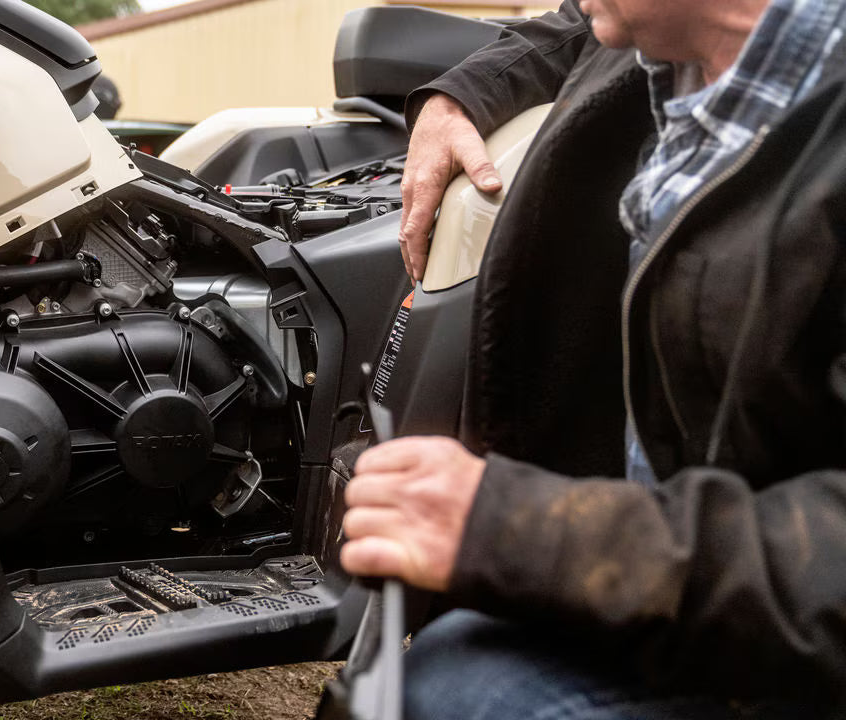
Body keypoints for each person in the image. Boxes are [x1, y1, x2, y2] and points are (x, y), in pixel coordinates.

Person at [342, 0, 846, 717]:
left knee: (455, 686)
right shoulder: (652, 37)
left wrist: (526, 532)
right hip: (689, 601)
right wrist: (461, 95)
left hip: (784, 669)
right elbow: (575, 25)